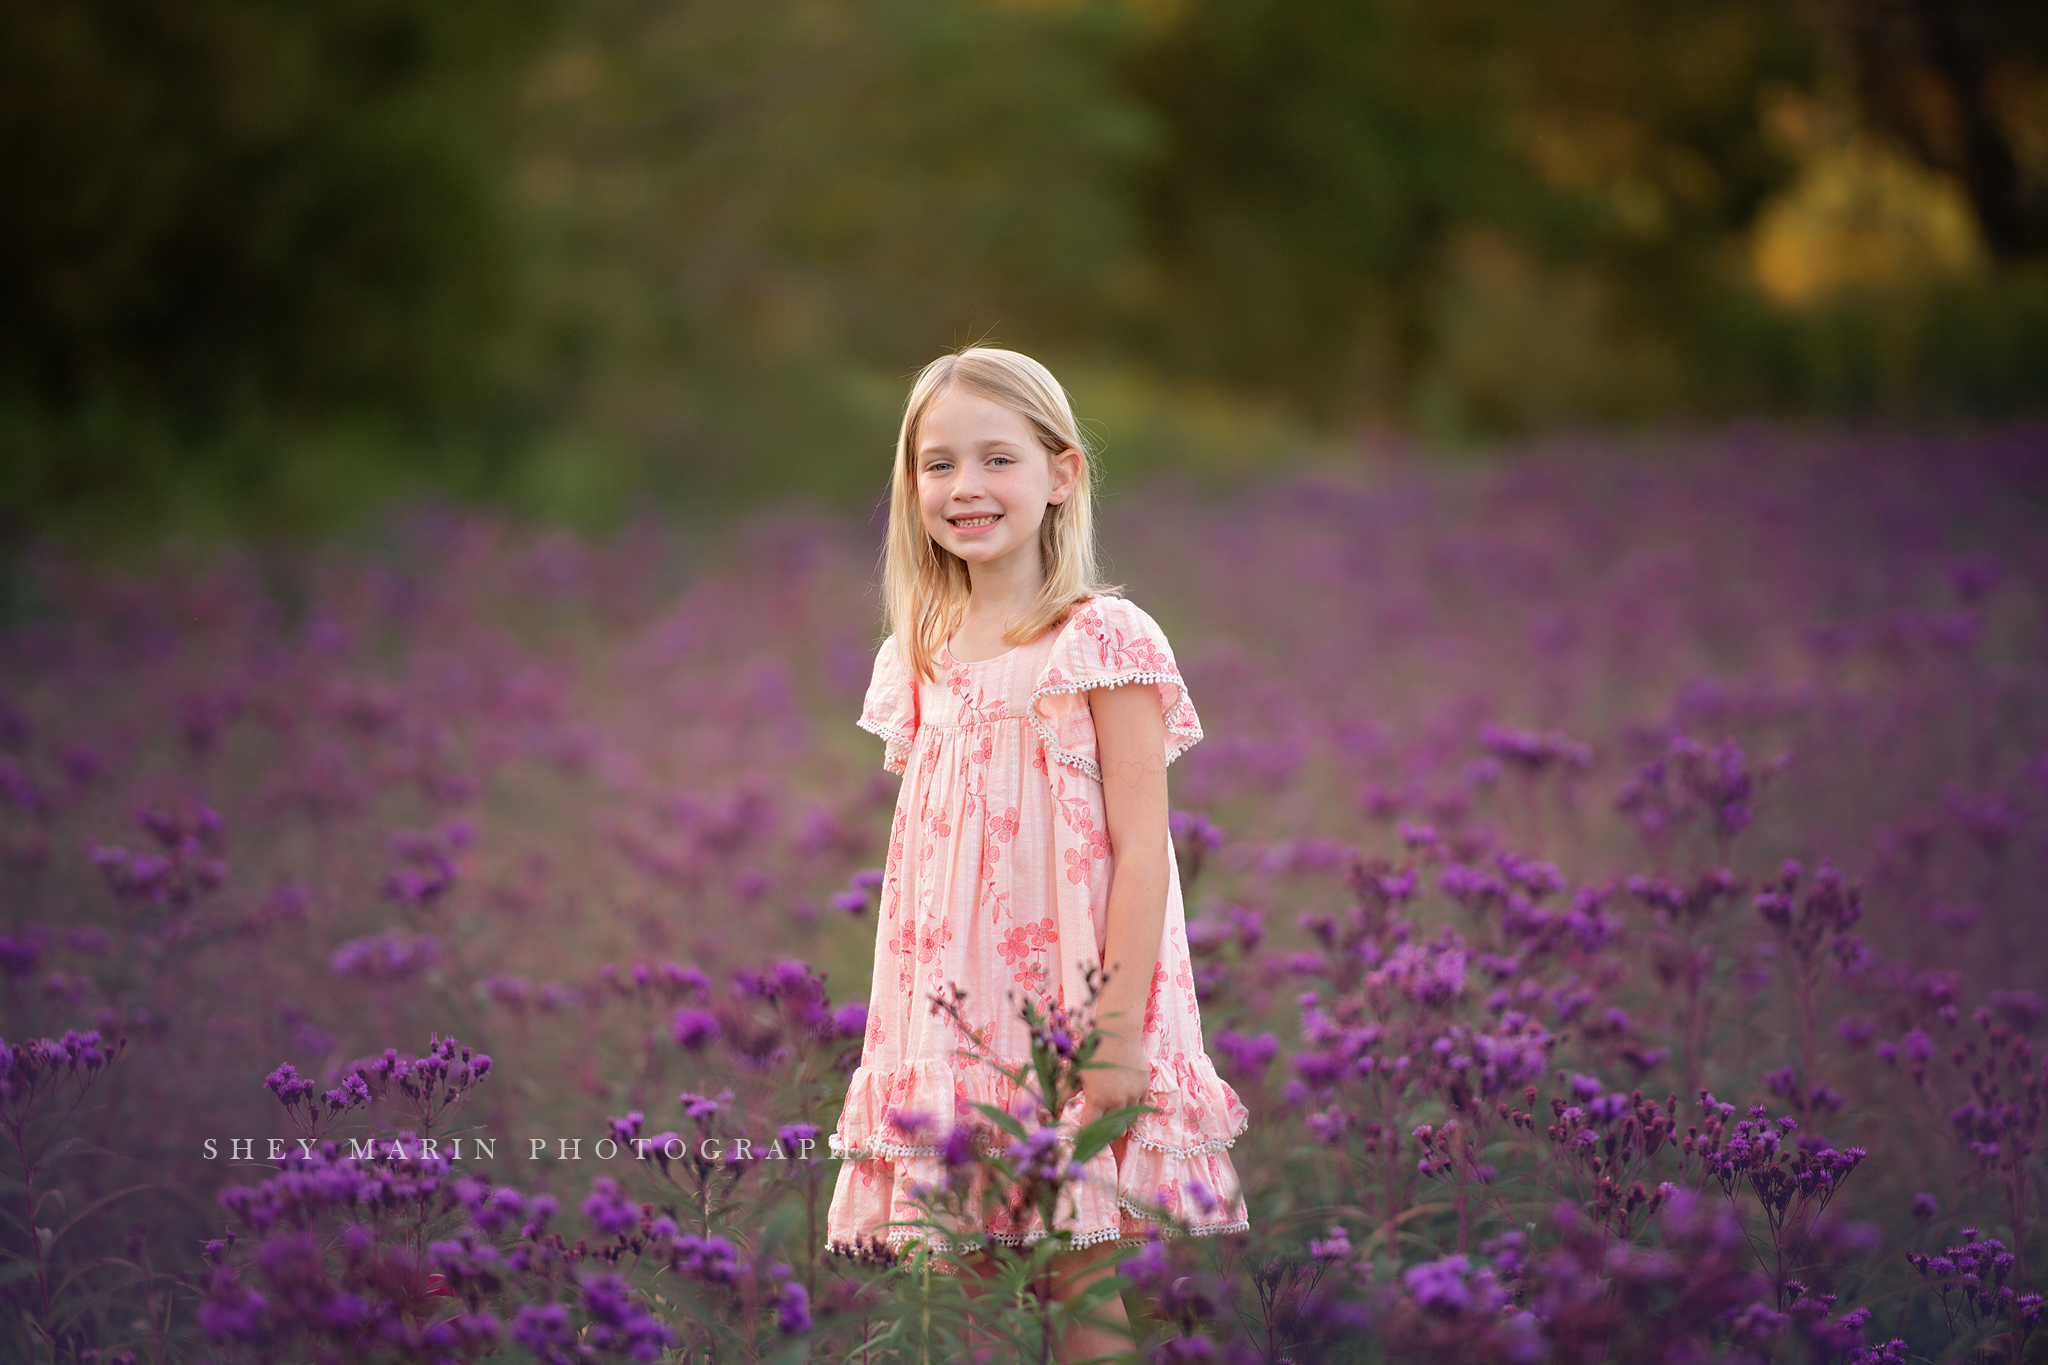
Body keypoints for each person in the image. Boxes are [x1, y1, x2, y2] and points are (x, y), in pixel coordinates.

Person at [825, 347, 1250, 1359]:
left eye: (996, 459)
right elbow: (934, 870)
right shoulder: (921, 650)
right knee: (957, 1293)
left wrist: (1112, 1033)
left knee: (1076, 1283)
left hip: (1067, 1014)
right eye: (937, 465)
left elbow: (1143, 852)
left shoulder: (1101, 638)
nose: (965, 487)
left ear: (1059, 475)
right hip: (951, 1018)